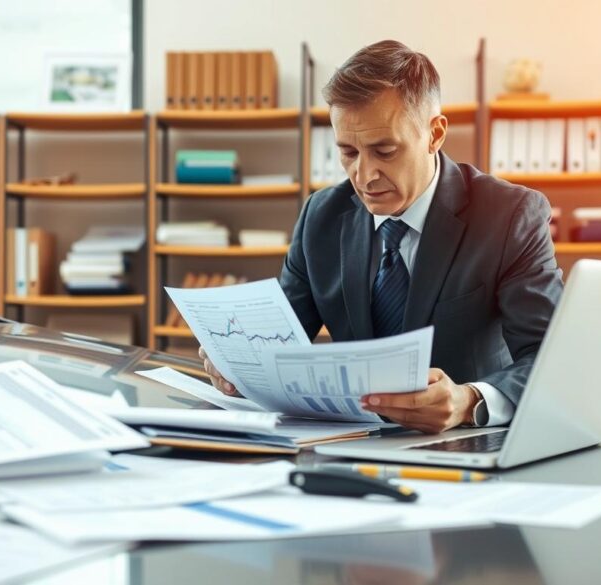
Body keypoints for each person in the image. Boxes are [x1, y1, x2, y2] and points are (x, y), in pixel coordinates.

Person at [201, 40, 563, 434]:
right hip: (351, 443)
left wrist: (468, 400)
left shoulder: (510, 215)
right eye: (348, 153)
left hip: (469, 442)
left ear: (434, 134)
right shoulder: (320, 217)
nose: (364, 175)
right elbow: (279, 344)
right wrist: (239, 366)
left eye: (385, 150)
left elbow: (550, 357)